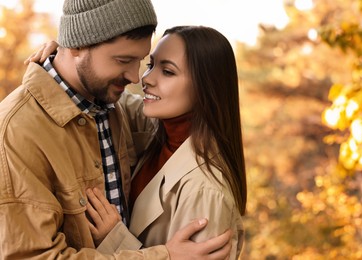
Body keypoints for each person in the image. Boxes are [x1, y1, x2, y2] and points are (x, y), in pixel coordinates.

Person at [0, 0, 231, 259]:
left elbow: (189, 119)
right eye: (124, 60)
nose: (136, 77)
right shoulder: (17, 133)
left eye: (141, 61)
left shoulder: (110, 106)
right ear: (78, 45)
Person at [83, 25, 247, 259]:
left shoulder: (205, 191)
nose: (146, 78)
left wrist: (114, 239)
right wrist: (65, 56)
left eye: (168, 71)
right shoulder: (160, 135)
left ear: (205, 87)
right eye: (151, 65)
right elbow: (112, 97)